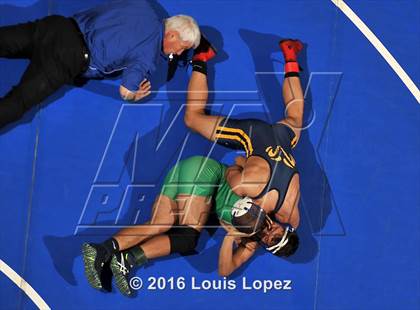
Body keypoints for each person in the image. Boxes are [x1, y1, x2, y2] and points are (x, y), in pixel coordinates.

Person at [82, 155, 298, 297]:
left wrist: (230, 237)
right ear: (283, 226)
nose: (273, 233)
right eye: (280, 233)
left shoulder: (249, 243)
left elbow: (224, 271)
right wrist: (236, 178)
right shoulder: (266, 201)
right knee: (187, 237)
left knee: (161, 224)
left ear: (268, 246)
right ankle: (109, 254)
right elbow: (241, 160)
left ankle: (114, 255)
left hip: (187, 175)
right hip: (208, 173)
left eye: (273, 241)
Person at [0, 0, 200, 129]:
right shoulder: (148, 55)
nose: (179, 53)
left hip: (57, 26)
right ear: (172, 34)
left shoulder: (141, 5)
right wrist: (134, 95)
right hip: (68, 57)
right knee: (18, 102)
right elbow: (125, 91)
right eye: (182, 47)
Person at [184, 36, 305, 236]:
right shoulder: (242, 187)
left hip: (285, 137)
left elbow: (291, 226)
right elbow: (232, 166)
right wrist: (244, 162)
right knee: (192, 118)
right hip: (252, 133)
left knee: (295, 115)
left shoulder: (291, 215)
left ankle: (290, 55)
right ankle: (201, 57)